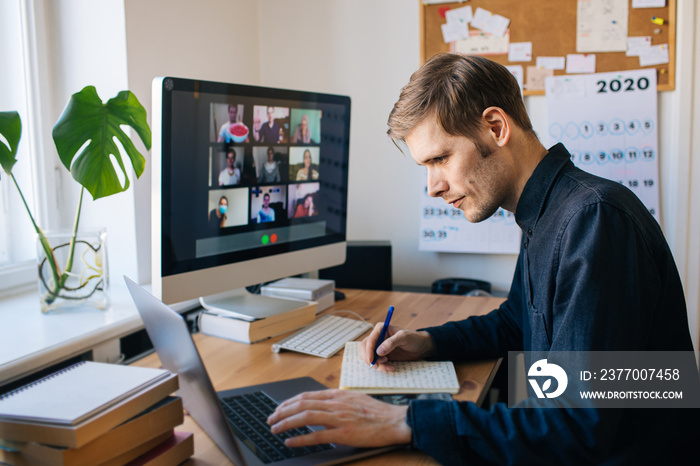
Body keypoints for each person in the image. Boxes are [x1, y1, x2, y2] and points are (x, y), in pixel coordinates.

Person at [266, 53, 697, 464]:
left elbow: (580, 425)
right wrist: (431, 343)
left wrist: (403, 420)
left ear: (495, 127)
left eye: (440, 158)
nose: (433, 187)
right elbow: (517, 322)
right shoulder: (548, 212)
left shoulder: (592, 220)